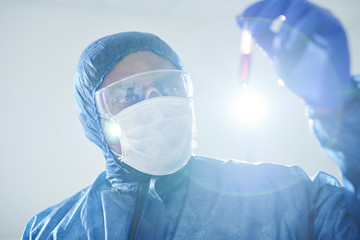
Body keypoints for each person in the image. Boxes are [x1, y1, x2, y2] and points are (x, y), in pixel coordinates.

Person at [22, 0, 360, 239]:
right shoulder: (51, 230)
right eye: (128, 94)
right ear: (94, 119)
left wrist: (341, 108)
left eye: (168, 86)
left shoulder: (287, 198)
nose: (155, 102)